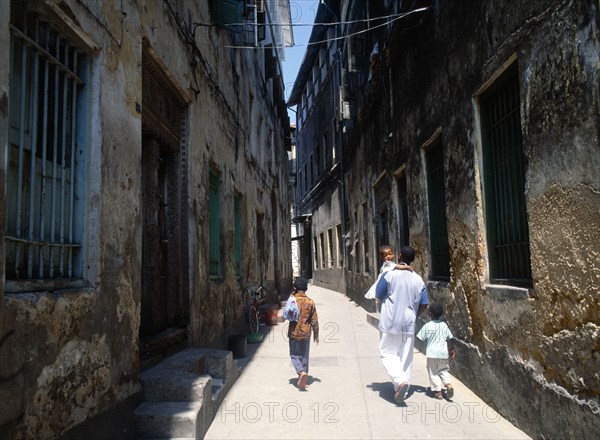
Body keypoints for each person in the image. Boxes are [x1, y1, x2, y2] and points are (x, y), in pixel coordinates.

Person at [375, 246, 428, 404]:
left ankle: (399, 381)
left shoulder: (389, 275)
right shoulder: (418, 279)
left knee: (387, 352)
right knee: (405, 356)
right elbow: (424, 303)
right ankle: (402, 391)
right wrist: (414, 315)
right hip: (408, 323)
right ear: (413, 259)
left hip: (391, 322)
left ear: (399, 256)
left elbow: (378, 294)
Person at [416, 302, 456, 400]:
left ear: (430, 313)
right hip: (443, 354)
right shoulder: (444, 325)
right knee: (443, 370)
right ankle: (448, 384)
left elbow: (419, 338)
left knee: (433, 372)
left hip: (432, 354)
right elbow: (450, 338)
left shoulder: (427, 326)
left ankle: (438, 392)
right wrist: (451, 349)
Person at [287, 277, 319, 390]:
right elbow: (314, 320)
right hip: (306, 333)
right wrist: (316, 334)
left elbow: (287, 315)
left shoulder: (292, 300)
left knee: (294, 354)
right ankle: (304, 376)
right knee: (305, 356)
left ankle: (300, 372)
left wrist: (293, 292)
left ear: (295, 288)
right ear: (306, 288)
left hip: (294, 332)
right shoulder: (310, 302)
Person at [364, 245, 412, 312]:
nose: (388, 256)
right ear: (382, 257)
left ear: (393, 254)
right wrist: (408, 267)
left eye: (390, 254)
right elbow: (397, 266)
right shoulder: (388, 264)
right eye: (385, 255)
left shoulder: (390, 264)